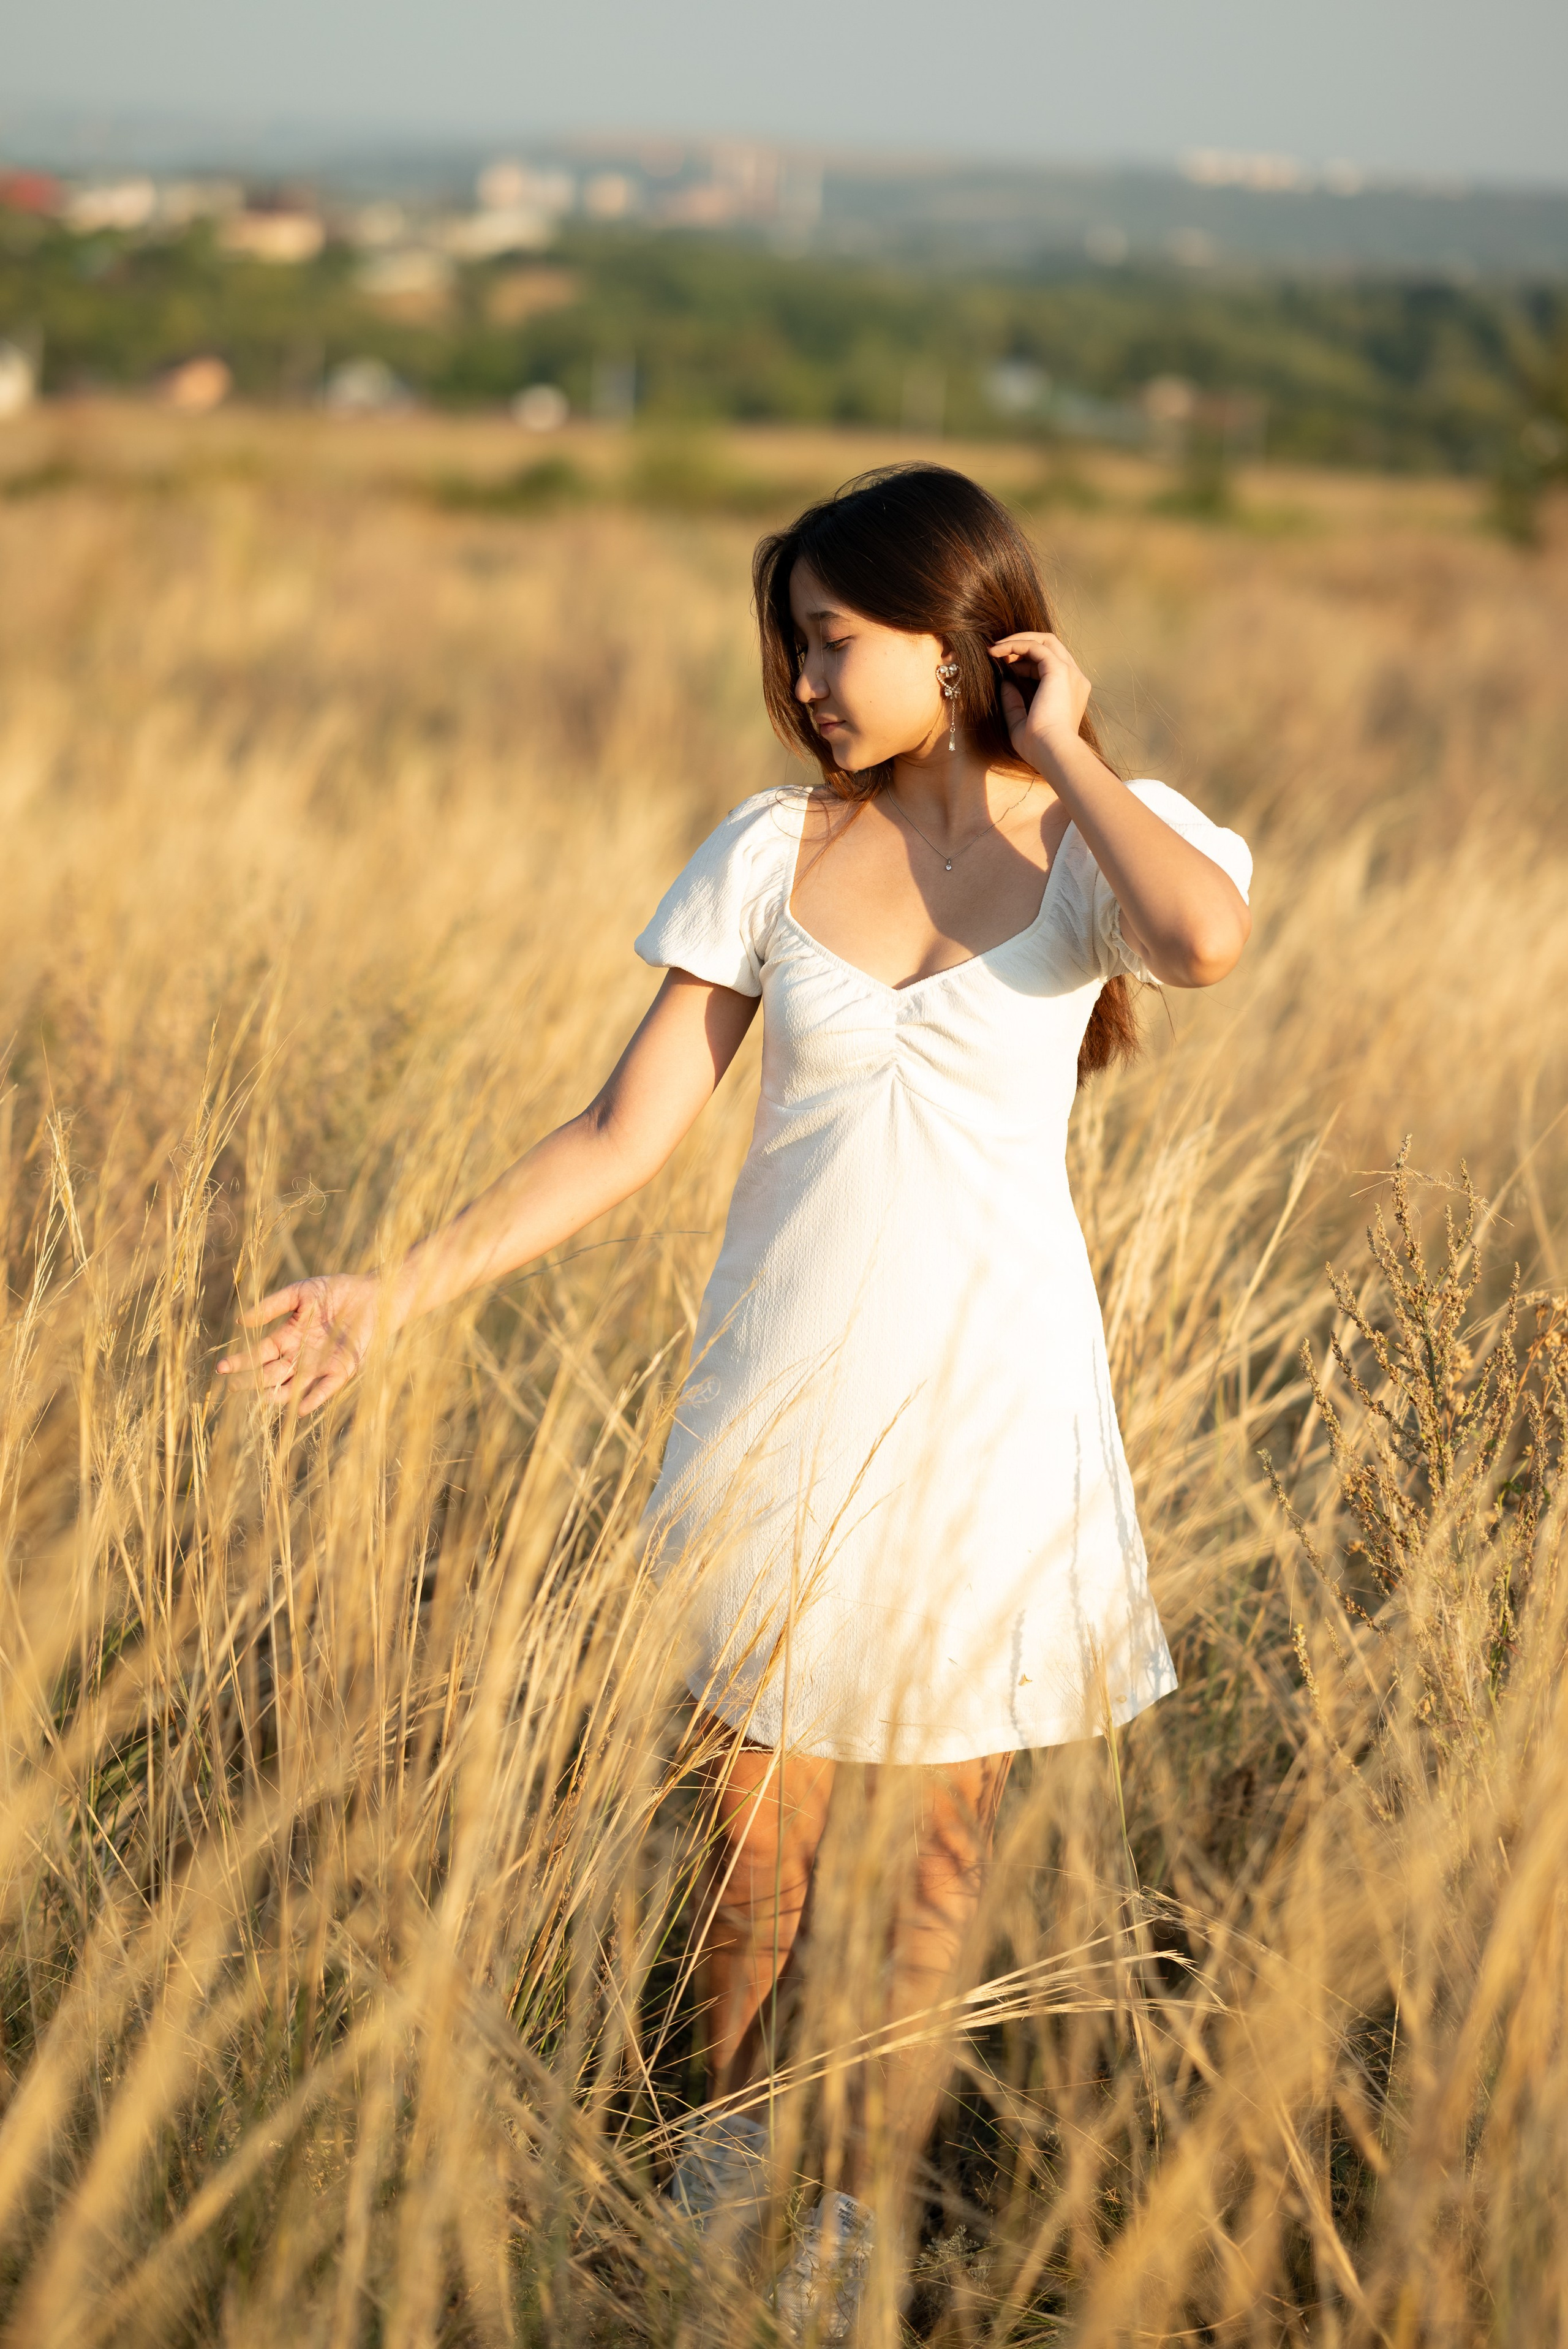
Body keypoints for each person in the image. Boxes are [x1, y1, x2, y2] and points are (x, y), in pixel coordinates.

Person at [219, 464, 1251, 2337]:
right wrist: (398, 1290)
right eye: (791, 641)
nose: (804, 679)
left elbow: (1206, 942)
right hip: (779, 1416)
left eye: (838, 638)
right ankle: (725, 2182)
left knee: (931, 1876)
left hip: (994, 1434)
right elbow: (625, 1132)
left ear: (964, 640)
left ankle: (854, 2231)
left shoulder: (1099, 848)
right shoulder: (770, 854)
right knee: (750, 1856)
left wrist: (1071, 743)